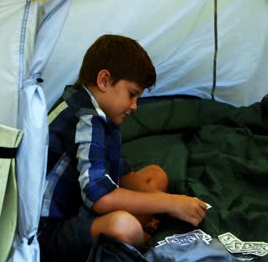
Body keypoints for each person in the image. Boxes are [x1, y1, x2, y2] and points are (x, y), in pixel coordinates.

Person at [38, 34, 207, 262]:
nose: (135, 106)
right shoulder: (88, 119)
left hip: (80, 206)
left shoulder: (96, 109)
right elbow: (100, 198)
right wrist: (170, 203)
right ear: (104, 80)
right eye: (132, 94)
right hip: (48, 234)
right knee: (124, 226)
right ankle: (138, 238)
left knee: (156, 175)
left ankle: (138, 230)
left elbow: (121, 175)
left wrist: (175, 201)